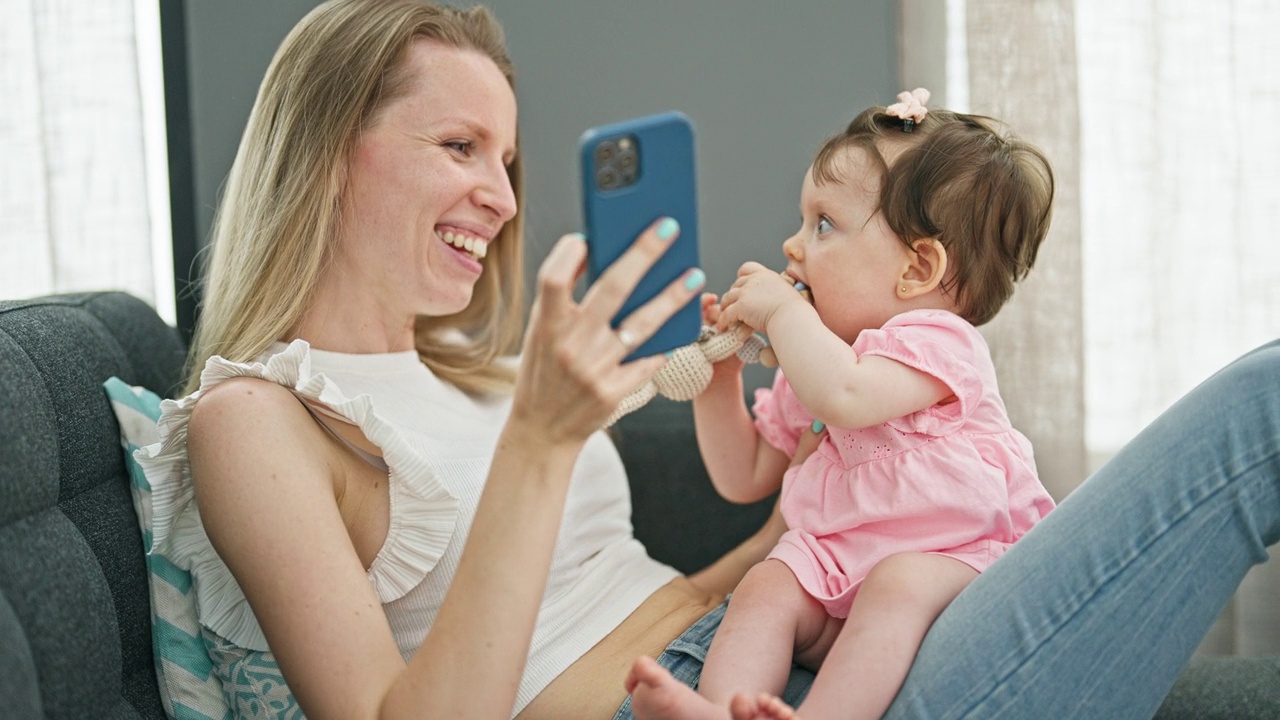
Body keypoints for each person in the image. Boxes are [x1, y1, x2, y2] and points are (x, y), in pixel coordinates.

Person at [138, 1, 1280, 719]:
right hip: (673, 695)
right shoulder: (257, 416)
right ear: (332, 155)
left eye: (507, 155)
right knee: (1259, 414)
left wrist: (839, 493)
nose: (499, 193)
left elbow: (689, 584)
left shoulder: (470, 371)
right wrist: (543, 439)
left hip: (764, 659)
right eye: (457, 147)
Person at [625, 91, 1057, 720]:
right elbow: (742, 476)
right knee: (770, 582)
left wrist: (783, 311)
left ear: (919, 268)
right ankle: (722, 709)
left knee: (897, 581)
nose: (793, 245)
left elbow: (848, 396)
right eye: (803, 222)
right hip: (844, 604)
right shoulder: (822, 361)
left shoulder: (938, 345)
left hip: (957, 579)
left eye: (823, 224)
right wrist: (719, 380)